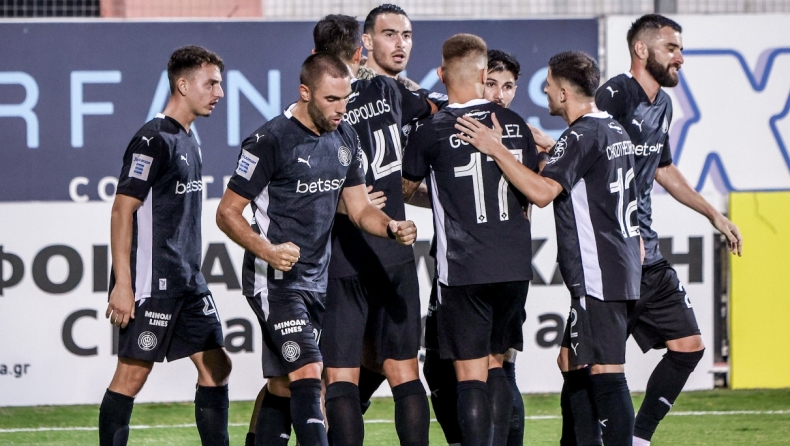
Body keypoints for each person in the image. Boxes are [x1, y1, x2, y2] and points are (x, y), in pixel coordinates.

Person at [215, 52, 417, 446]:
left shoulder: (345, 137)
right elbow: (227, 212)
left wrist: (390, 227)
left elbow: (359, 209)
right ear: (305, 92)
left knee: (283, 384)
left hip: (317, 282)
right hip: (275, 281)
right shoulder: (269, 141)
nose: (341, 108)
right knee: (309, 374)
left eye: (345, 98)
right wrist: (267, 250)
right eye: (331, 100)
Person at [456, 50, 642, 446]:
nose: (544, 90)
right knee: (570, 360)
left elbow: (542, 193)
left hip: (599, 271)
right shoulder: (612, 129)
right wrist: (549, 146)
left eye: (548, 85)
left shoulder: (580, 135)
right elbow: (584, 168)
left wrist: (496, 147)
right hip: (619, 263)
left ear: (563, 92)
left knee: (607, 371)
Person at [595, 14, 742, 446]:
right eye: (671, 48)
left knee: (689, 345)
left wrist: (713, 215)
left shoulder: (663, 104)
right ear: (642, 50)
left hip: (649, 257)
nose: (680, 58)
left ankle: (639, 438)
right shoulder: (615, 96)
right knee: (583, 365)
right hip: (614, 256)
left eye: (680, 48)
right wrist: (624, 234)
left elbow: (663, 168)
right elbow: (592, 161)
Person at [402, 34, 538, 446]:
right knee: (498, 366)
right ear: (483, 75)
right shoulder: (516, 125)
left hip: (464, 267)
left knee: (470, 375)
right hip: (515, 264)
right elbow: (526, 194)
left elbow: (403, 189)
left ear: (441, 74)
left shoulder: (431, 130)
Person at [310, 14, 435, 446]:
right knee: (405, 371)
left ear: (316, 56)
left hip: (345, 252)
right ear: (360, 51)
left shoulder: (321, 109)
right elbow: (433, 108)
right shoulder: (388, 89)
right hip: (395, 243)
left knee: (341, 376)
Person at [99, 46, 231, 446]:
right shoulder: (152, 139)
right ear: (183, 85)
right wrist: (124, 285)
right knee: (132, 376)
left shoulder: (189, 137)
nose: (219, 93)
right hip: (151, 283)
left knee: (217, 367)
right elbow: (122, 211)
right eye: (211, 84)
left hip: (187, 280)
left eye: (219, 84)